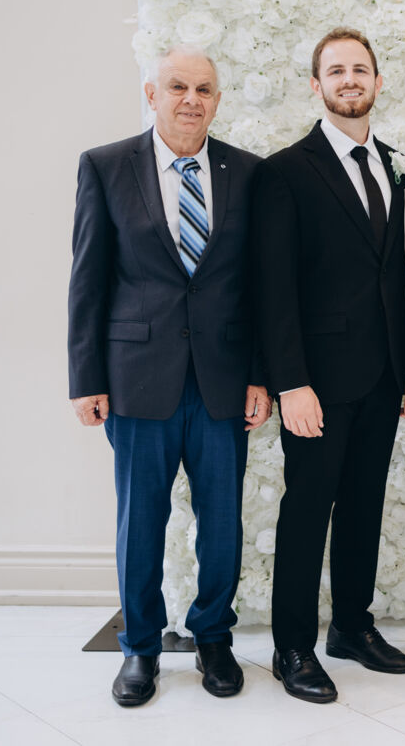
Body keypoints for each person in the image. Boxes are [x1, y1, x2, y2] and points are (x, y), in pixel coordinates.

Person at [67, 45, 270, 706]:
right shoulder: (105, 166)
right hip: (136, 379)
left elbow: (258, 287)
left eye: (204, 89)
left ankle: (214, 637)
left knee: (222, 523)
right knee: (140, 523)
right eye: (178, 86)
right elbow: (88, 279)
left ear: (218, 100)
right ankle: (140, 647)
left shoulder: (248, 172)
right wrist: (86, 378)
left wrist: (260, 375)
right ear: (152, 94)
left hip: (222, 379)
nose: (191, 99)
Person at [251, 28, 405, 704]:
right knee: (306, 511)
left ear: (378, 81)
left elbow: (401, 277)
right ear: (316, 85)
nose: (349, 79)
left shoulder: (396, 165)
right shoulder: (285, 171)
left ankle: (352, 626)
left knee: (363, 506)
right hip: (316, 383)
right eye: (335, 70)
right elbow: (274, 289)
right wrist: (291, 382)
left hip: (383, 375)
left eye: (360, 69)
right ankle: (292, 646)